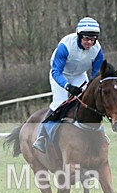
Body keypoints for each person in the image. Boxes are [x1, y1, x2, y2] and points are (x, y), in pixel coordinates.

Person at [32, 16, 105, 153]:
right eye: (86, 38)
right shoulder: (65, 46)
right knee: (60, 103)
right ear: (79, 36)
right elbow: (56, 71)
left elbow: (96, 72)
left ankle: (100, 131)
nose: (89, 42)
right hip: (60, 75)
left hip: (79, 76)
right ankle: (42, 136)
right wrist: (67, 86)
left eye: (93, 39)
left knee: (89, 101)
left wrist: (90, 86)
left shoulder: (97, 50)